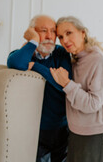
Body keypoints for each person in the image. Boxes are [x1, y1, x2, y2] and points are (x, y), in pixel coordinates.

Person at [7, 14, 72, 162]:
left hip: (62, 127)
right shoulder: (26, 52)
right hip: (35, 129)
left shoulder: (61, 53)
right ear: (33, 32)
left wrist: (36, 67)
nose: (50, 36)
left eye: (53, 31)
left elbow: (63, 84)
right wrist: (33, 41)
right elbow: (15, 62)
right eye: (43, 31)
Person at [49, 16, 103, 162]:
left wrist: (67, 84)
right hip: (76, 131)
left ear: (83, 33)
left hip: (95, 133)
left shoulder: (98, 59)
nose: (64, 40)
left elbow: (93, 104)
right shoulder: (73, 60)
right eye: (60, 36)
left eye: (69, 33)